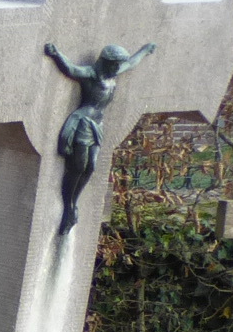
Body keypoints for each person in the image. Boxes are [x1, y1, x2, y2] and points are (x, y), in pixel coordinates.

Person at [45, 41, 154, 235]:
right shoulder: (91, 74)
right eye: (114, 64)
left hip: (98, 125)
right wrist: (56, 53)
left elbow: (132, 63)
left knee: (91, 166)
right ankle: (69, 205)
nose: (118, 68)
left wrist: (145, 50)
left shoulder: (115, 73)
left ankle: (73, 203)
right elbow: (71, 69)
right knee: (79, 165)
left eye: (119, 65)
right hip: (83, 123)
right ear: (105, 62)